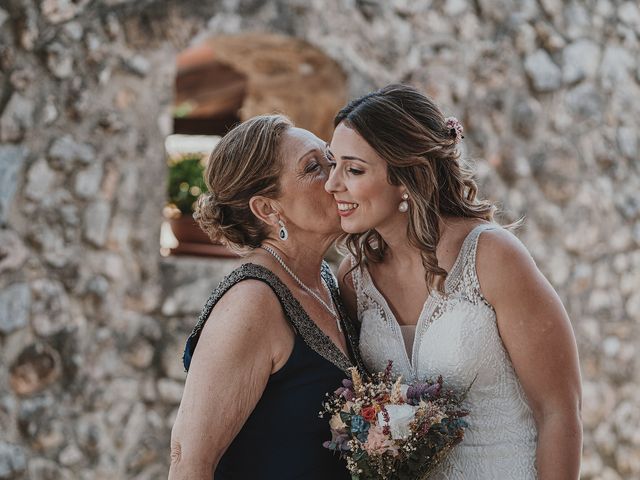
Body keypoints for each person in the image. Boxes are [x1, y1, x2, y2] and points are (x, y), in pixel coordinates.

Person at [324, 84, 582, 479]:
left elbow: (559, 411)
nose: (332, 183)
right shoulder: (354, 276)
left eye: (354, 169)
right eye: (332, 164)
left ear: (406, 179)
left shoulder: (492, 257)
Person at [169, 114, 364, 480]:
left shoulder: (327, 280)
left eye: (331, 159)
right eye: (313, 167)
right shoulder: (251, 303)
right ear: (268, 209)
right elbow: (188, 463)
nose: (337, 178)